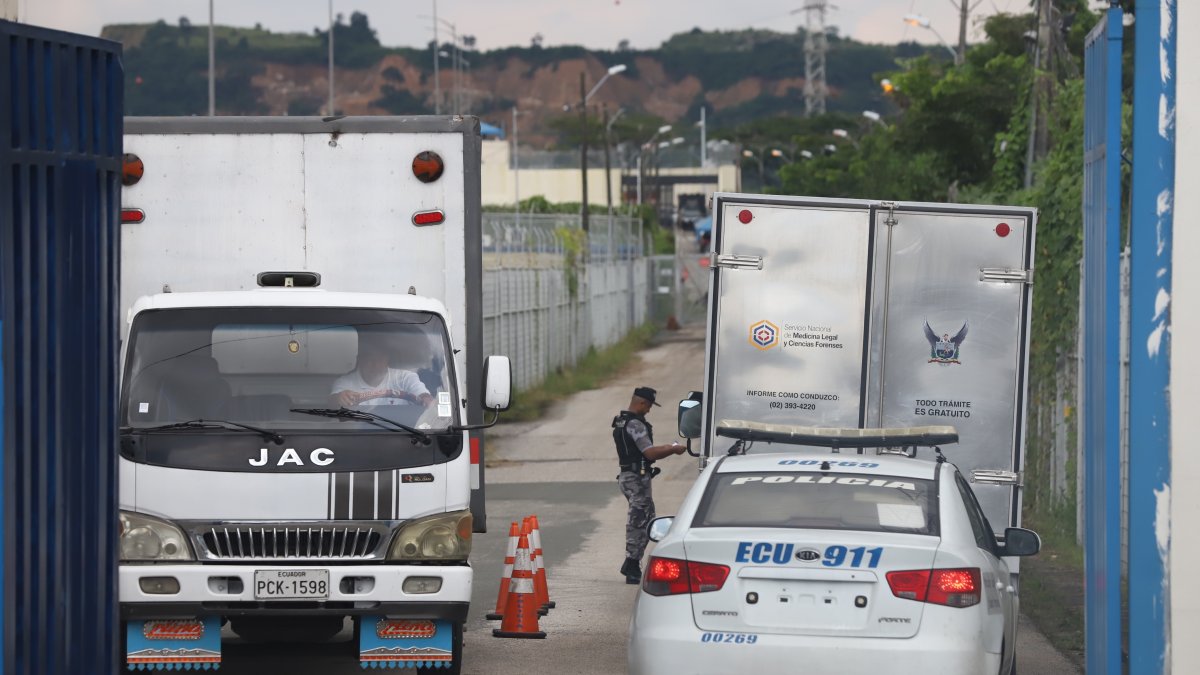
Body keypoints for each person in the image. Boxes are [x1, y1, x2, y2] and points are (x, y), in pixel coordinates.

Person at [613, 386, 688, 584]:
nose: (649, 411)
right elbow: (650, 453)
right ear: (641, 403)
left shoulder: (623, 422)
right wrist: (672, 449)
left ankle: (632, 561)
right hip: (635, 478)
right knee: (638, 520)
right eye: (648, 406)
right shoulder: (635, 424)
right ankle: (631, 564)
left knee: (646, 518)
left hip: (631, 476)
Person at [330, 334, 434, 409]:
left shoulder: (406, 378)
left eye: (379, 359)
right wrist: (339, 398)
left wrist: (427, 400)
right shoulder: (344, 383)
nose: (375, 364)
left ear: (387, 359)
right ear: (360, 360)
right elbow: (332, 403)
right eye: (370, 359)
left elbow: (423, 395)